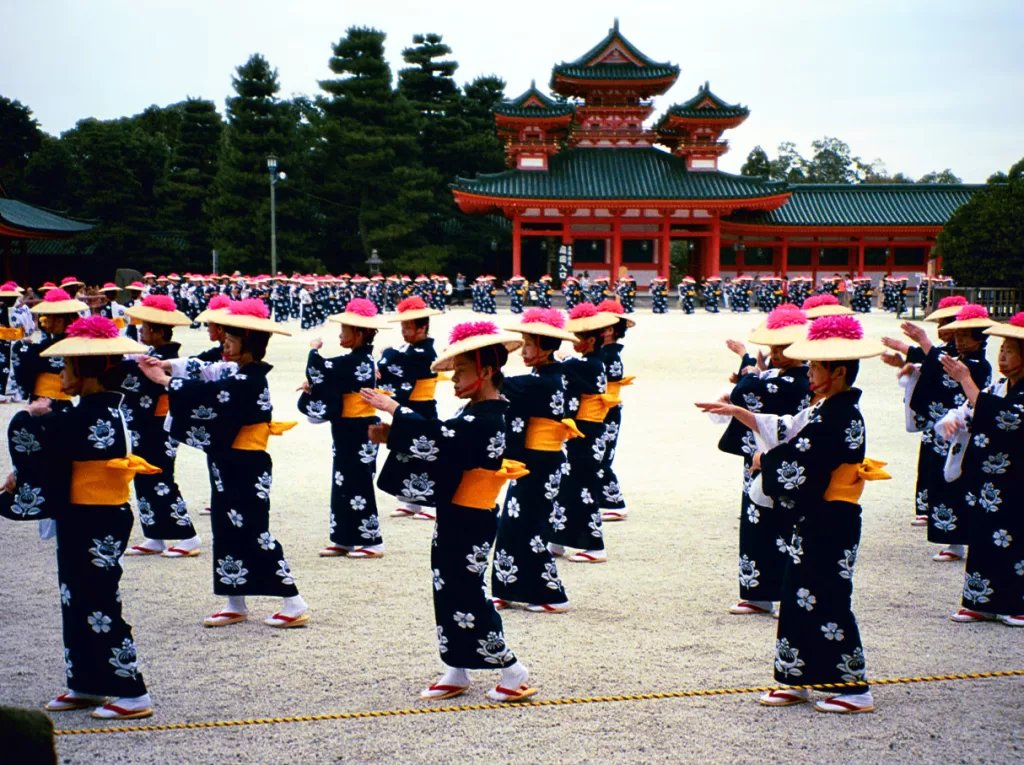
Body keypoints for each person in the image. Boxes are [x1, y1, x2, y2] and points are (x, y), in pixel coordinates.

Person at [697, 314, 889, 713]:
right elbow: (786, 427)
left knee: (828, 596)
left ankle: (854, 687)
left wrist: (766, 461)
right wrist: (740, 415)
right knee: (798, 593)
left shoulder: (841, 414)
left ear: (837, 372)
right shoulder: (825, 408)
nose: (811, 375)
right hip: (817, 518)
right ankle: (796, 675)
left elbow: (803, 458)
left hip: (832, 518)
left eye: (817, 367)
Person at [360, 321, 537, 702]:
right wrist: (392, 434)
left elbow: (444, 439)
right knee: (448, 587)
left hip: (472, 517)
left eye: (462, 371)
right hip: (456, 515)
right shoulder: (473, 412)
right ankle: (456, 666)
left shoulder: (492, 416)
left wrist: (395, 410)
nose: (455, 379)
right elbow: (445, 443)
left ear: (486, 371)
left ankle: (512, 669)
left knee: (468, 590)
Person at [1, 315, 157, 719]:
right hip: (84, 514)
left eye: (68, 366)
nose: (60, 373)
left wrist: (31, 418)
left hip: (98, 515)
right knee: (77, 599)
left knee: (99, 599)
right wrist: (45, 421)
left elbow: (47, 446)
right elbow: (56, 451)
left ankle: (132, 690)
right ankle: (87, 681)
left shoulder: (94, 415)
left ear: (87, 373)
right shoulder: (89, 410)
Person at [138, 298, 308, 629]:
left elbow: (208, 394)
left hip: (246, 463)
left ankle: (293, 600)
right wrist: (168, 367)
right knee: (227, 530)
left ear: (248, 345)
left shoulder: (249, 379)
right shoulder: (237, 370)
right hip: (228, 461)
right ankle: (234, 601)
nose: (224, 349)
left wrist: (164, 382)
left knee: (254, 531)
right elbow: (207, 369)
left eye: (230, 343)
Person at [715, 307, 811, 616]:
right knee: (756, 523)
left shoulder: (798, 381)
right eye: (773, 348)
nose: (775, 354)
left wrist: (749, 372)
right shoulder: (780, 377)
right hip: (759, 458)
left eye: (783, 348)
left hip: (786, 460)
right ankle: (758, 593)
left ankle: (787, 594)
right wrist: (750, 370)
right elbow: (748, 389)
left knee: (785, 525)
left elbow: (746, 392)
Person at [937, 312, 1024, 627]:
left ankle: (1015, 604)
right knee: (984, 538)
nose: (1002, 355)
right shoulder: (1000, 386)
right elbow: (975, 407)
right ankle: (980, 600)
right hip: (989, 481)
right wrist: (955, 418)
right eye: (1002, 349)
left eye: (1010, 350)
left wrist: (965, 380)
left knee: (1013, 540)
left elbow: (1004, 417)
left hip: (1017, 480)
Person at [492, 308, 580, 612]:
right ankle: (510, 586)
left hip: (541, 461)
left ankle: (552, 595)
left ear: (545, 346)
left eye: (529, 344)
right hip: (538, 460)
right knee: (513, 523)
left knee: (528, 526)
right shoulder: (549, 375)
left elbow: (501, 385)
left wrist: (486, 364)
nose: (524, 350)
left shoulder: (544, 381)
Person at [298, 298, 391, 559]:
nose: (340, 335)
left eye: (344, 331)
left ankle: (372, 541)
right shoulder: (358, 360)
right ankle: (344, 538)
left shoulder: (358, 361)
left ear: (359, 333)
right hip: (347, 427)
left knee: (358, 482)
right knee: (343, 482)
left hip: (359, 427)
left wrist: (313, 350)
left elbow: (322, 369)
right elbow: (330, 377)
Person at [119, 295, 202, 558]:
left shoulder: (168, 358)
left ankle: (188, 535)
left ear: (155, 331)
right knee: (143, 476)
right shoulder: (152, 355)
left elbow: (139, 384)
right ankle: (154, 535)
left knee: (161, 478)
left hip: (160, 425)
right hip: (144, 423)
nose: (141, 332)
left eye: (144, 328)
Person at [549, 303, 620, 563]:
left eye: (578, 338)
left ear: (591, 340)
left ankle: (594, 544)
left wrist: (558, 359)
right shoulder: (591, 362)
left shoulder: (587, 364)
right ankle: (557, 540)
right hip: (585, 431)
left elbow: (563, 377)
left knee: (583, 489)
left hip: (586, 433)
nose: (574, 342)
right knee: (567, 487)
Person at [376, 296, 443, 520]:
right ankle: (410, 502)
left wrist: (387, 354)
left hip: (422, 408)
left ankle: (431, 504)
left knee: (424, 454)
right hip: (410, 406)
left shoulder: (423, 353)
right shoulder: (412, 350)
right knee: (405, 452)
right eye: (403, 326)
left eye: (408, 327)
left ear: (423, 328)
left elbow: (395, 362)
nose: (404, 331)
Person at [594, 300, 636, 522]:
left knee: (600, 456)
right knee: (600, 455)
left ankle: (615, 501)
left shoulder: (608, 356)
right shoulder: (606, 353)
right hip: (607, 408)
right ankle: (603, 498)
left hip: (606, 410)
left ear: (609, 330)